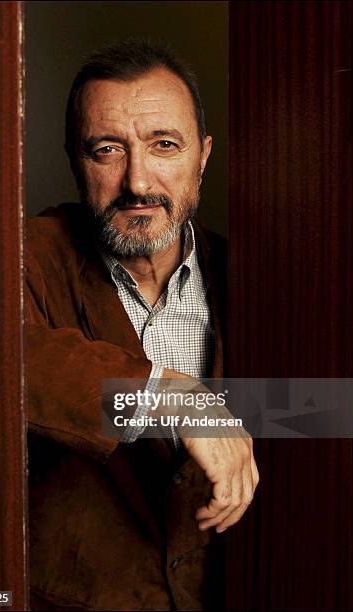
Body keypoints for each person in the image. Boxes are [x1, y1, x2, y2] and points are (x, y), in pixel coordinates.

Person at [26, 39, 259, 611]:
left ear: (202, 155)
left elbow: (310, 414)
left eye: (164, 145)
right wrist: (172, 396)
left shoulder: (255, 278)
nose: (137, 181)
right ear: (74, 159)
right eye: (107, 149)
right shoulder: (26, 254)